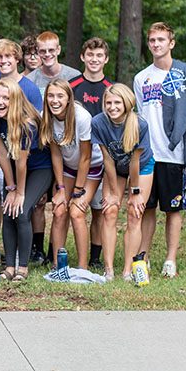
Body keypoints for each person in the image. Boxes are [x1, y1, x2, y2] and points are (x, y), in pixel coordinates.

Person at [133, 22, 186, 278]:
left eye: (161, 39)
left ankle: (170, 260)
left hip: (175, 154)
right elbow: (141, 116)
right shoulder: (142, 78)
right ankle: (144, 256)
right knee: (147, 208)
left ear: (171, 43)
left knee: (173, 208)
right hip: (149, 155)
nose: (156, 44)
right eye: (152, 40)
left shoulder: (185, 75)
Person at [0, 79, 53, 282]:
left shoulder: (27, 124)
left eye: (6, 98)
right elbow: (2, 155)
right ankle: (9, 266)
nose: (0, 102)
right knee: (8, 211)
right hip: (16, 169)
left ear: (15, 100)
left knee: (22, 211)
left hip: (39, 169)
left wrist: (20, 193)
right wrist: (10, 187)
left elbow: (22, 163)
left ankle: (22, 267)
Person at [91, 83, 155, 281]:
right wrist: (111, 192)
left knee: (134, 213)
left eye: (117, 102)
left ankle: (128, 270)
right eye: (108, 102)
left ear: (127, 103)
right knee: (109, 210)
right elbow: (107, 159)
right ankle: (109, 270)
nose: (112, 107)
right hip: (115, 167)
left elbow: (135, 161)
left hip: (141, 167)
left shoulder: (139, 124)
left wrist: (134, 192)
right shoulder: (98, 122)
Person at [39, 80, 104, 269]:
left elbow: (86, 157)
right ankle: (59, 265)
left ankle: (83, 267)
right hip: (68, 168)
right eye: (51, 96)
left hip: (91, 168)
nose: (55, 100)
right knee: (59, 210)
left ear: (68, 99)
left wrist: (77, 191)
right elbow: (56, 154)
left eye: (60, 96)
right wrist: (60, 188)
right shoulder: (46, 116)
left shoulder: (81, 117)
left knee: (76, 212)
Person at [70, 37, 113, 268]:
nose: (94, 59)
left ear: (105, 59)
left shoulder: (111, 89)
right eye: (90, 55)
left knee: (99, 209)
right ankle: (55, 254)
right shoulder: (72, 86)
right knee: (69, 209)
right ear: (83, 57)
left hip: (102, 158)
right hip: (74, 156)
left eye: (99, 56)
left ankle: (95, 258)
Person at [0, 39, 43, 111]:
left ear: (17, 59)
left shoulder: (31, 89)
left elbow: (37, 120)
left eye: (8, 56)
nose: (3, 61)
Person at [26, 31, 81, 99]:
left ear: (58, 50)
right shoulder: (30, 80)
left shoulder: (74, 76)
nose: (47, 54)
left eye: (51, 50)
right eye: (43, 51)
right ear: (38, 52)